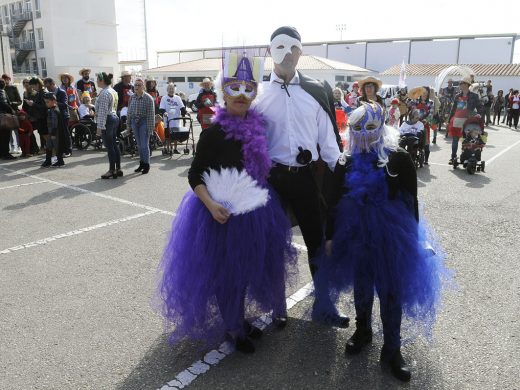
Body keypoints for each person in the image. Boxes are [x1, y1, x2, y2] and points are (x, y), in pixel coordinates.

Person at [158, 52, 296, 353]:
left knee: (244, 269)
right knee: (225, 274)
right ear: (223, 92)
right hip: (219, 214)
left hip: (256, 211)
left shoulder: (259, 128)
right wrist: (210, 205)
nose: (242, 95)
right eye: (235, 88)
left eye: (249, 89)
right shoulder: (213, 134)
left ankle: (238, 319)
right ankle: (234, 329)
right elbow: (195, 174)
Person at [320, 101, 449, 382]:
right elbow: (333, 201)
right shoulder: (346, 161)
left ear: (381, 127)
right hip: (355, 236)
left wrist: (413, 242)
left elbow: (410, 202)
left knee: (391, 293)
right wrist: (330, 236)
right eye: (357, 129)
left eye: (369, 128)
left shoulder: (399, 158)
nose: (363, 135)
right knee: (362, 288)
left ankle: (393, 348)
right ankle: (363, 330)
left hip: (390, 236)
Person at [254, 26, 348, 328]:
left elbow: (330, 143)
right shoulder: (257, 94)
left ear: (300, 51)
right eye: (280, 47)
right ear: (270, 52)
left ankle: (325, 304)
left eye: (293, 47)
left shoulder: (316, 89)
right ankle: (276, 305)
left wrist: (347, 173)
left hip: (308, 178)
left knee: (317, 242)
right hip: (272, 181)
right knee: (272, 245)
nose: (287, 54)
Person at [447, 76, 482, 165]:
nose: (460, 85)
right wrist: (448, 120)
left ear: (466, 85)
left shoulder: (474, 96)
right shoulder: (457, 96)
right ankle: (453, 157)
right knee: (455, 140)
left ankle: (465, 157)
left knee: (466, 140)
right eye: (460, 83)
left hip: (468, 121)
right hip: (457, 120)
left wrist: (479, 114)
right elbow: (453, 109)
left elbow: (480, 107)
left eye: (461, 83)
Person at [94, 72, 121, 179]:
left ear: (102, 81)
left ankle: (111, 170)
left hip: (108, 119)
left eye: (98, 80)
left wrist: (99, 127)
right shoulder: (113, 91)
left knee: (110, 146)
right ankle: (117, 168)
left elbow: (103, 111)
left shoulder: (105, 93)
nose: (96, 82)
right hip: (114, 118)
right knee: (114, 144)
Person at [127, 78, 155, 174]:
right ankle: (142, 163)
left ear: (143, 87)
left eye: (139, 85)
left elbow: (151, 115)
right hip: (135, 122)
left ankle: (146, 165)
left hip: (144, 122)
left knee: (144, 145)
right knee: (139, 145)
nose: (137, 87)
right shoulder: (132, 97)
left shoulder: (148, 98)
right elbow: (129, 112)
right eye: (135, 85)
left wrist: (150, 129)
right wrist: (128, 125)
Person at [44, 78, 71, 157]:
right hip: (54, 116)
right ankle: (59, 152)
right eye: (46, 87)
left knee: (65, 134)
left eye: (48, 86)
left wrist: (54, 102)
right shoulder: (48, 93)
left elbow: (64, 105)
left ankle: (68, 150)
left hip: (63, 116)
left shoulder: (61, 92)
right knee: (57, 135)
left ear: (53, 84)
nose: (47, 88)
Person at [159, 83, 186, 155]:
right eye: (170, 89)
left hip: (176, 119)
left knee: (176, 135)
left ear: (174, 90)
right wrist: (164, 112)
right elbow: (161, 108)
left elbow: (182, 107)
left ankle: (175, 149)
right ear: (167, 90)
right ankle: (168, 148)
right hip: (168, 119)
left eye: (172, 89)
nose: (171, 90)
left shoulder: (178, 98)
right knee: (168, 135)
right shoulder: (164, 98)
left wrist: (184, 113)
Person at [42, 92, 67, 167]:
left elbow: (55, 123)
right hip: (50, 132)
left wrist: (53, 134)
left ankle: (60, 161)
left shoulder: (54, 111)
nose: (46, 103)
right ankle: (48, 161)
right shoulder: (51, 110)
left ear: (53, 101)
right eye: (45, 102)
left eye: (47, 102)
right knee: (49, 146)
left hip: (55, 133)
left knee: (57, 147)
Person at [24, 77, 48, 154]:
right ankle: (49, 153)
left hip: (44, 118)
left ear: (37, 84)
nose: (33, 88)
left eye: (33, 86)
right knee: (44, 136)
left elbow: (44, 107)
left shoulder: (43, 92)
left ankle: (51, 154)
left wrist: (33, 104)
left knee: (47, 138)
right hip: (40, 118)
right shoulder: (39, 93)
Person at [0, 79, 17, 159]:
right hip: (3, 116)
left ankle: (2, 153)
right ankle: (5, 154)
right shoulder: (1, 91)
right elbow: (3, 103)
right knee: (5, 135)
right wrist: (11, 110)